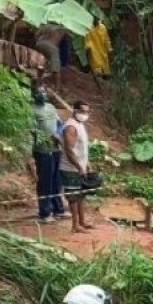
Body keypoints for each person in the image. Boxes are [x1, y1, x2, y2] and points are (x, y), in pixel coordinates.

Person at [29, 84, 67, 223]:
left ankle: (58, 209)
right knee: (45, 181)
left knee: (57, 180)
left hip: (56, 148)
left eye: (44, 92)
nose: (43, 94)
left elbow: (59, 123)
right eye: (39, 92)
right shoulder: (32, 111)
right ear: (33, 95)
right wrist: (49, 136)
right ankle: (45, 212)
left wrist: (58, 134)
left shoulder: (51, 107)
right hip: (43, 150)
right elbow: (33, 131)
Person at [60, 100, 95, 234]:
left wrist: (87, 164)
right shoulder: (71, 127)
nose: (85, 114)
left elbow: (82, 149)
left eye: (87, 112)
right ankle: (75, 225)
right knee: (73, 196)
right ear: (74, 110)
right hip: (70, 168)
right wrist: (79, 167)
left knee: (81, 194)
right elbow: (69, 150)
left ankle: (82, 221)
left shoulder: (80, 125)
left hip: (80, 166)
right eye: (82, 111)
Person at [35, 23, 66, 93]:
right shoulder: (61, 29)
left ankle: (38, 84)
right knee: (56, 67)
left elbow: (36, 35)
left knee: (41, 63)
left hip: (40, 44)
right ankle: (57, 88)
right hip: (51, 46)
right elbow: (61, 41)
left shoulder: (46, 26)